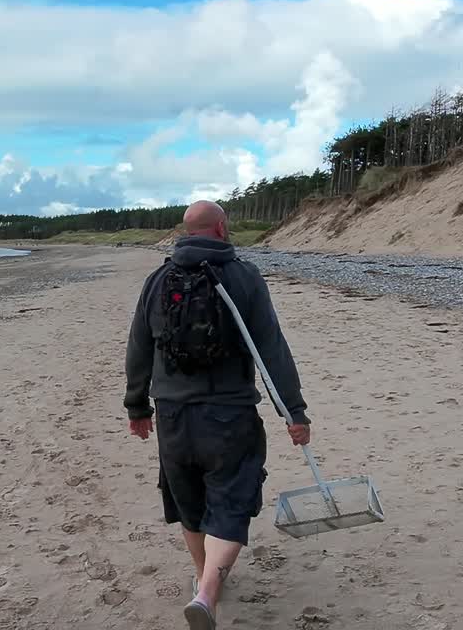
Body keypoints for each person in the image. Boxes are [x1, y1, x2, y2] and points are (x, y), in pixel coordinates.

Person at [123, 199, 312, 630]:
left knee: (189, 503)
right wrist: (293, 411)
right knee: (230, 500)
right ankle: (208, 592)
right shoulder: (243, 277)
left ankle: (203, 579)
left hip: (172, 415)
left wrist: (137, 406)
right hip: (229, 416)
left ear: (184, 233)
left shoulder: (157, 281)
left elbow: (138, 348)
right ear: (222, 229)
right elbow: (271, 349)